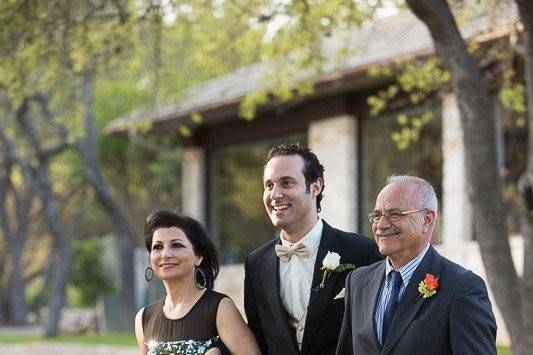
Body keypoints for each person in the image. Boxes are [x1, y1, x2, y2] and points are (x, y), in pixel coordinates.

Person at [244, 142, 383, 355]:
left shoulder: (363, 252)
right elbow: (257, 338)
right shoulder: (255, 263)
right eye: (269, 185)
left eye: (286, 183)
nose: (275, 194)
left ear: (316, 187)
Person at [336, 175, 497, 355]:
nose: (380, 224)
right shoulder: (358, 281)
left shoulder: (462, 288)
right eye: (377, 215)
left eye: (394, 214)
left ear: (427, 220)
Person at [135, 210, 260, 355]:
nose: (165, 254)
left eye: (176, 245)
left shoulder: (220, 308)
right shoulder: (143, 318)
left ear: (198, 256)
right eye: (157, 247)